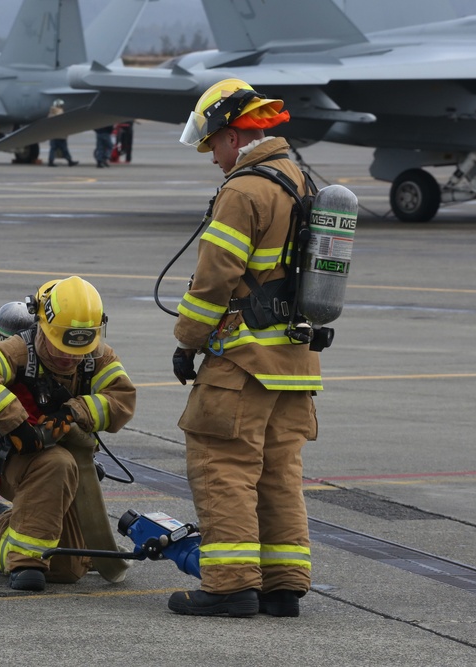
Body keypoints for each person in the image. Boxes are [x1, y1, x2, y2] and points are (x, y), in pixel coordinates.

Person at [169, 78, 321, 618]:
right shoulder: (297, 179)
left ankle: (231, 585)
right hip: (295, 364)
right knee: (279, 472)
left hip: (243, 363)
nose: (212, 158)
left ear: (234, 136)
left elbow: (214, 280)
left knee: (222, 464)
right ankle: (283, 587)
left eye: (212, 145)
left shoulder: (244, 190)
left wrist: (187, 342)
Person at [0, 276, 136, 592]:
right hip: (13, 460)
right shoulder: (19, 351)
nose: (68, 358)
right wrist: (17, 424)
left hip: (68, 471)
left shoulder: (97, 357)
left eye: (78, 349)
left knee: (67, 567)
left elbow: (122, 399)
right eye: (60, 346)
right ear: (42, 327)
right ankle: (26, 565)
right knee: (56, 462)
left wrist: (75, 411)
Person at [46, 99, 77, 167]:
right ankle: (69, 161)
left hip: (53, 135)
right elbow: (63, 123)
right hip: (60, 135)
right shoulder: (60, 112)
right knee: (64, 149)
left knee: (53, 149)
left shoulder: (51, 113)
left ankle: (51, 161)